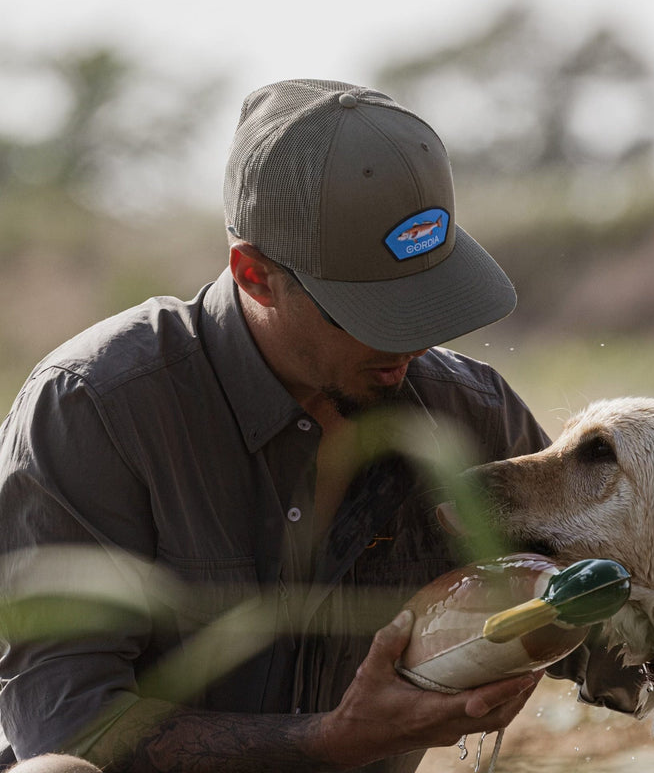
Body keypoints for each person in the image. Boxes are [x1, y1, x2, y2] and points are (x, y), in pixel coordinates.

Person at [0, 79, 552, 772]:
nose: (412, 345)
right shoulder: (95, 410)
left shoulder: (467, 409)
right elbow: (68, 722)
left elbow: (611, 613)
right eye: (371, 314)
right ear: (255, 275)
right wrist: (334, 742)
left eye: (427, 301)